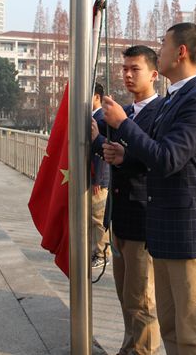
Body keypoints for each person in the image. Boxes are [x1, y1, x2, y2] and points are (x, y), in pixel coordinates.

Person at [102, 23, 196, 354]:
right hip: (166, 232)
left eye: (164, 45)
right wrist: (126, 153)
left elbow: (169, 158)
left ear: (181, 52)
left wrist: (122, 124)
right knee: (170, 328)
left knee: (194, 333)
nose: (160, 51)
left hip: (190, 234)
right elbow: (153, 155)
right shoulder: (174, 99)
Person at [91, 46, 162, 354]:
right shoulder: (126, 112)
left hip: (143, 219)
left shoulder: (161, 112)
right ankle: (129, 347)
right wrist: (100, 142)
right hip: (119, 218)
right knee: (125, 296)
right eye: (125, 69)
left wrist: (121, 153)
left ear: (154, 75)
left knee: (142, 300)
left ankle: (143, 350)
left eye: (136, 69)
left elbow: (156, 161)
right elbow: (117, 155)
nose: (128, 74)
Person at [90, 84, 111, 268]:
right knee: (91, 216)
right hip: (93, 177)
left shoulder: (101, 118)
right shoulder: (93, 117)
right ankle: (94, 250)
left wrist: (97, 179)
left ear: (96, 97)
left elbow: (102, 150)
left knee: (98, 218)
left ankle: (102, 254)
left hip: (100, 180)